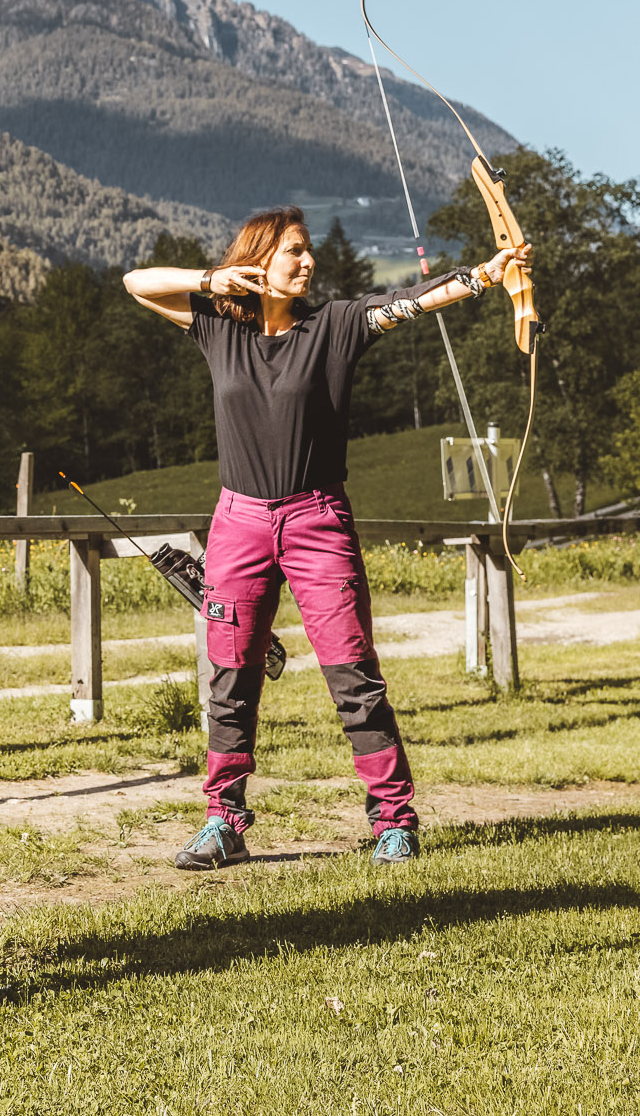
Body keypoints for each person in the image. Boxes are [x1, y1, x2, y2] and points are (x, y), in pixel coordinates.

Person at [122, 207, 529, 870]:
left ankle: (394, 822)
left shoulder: (335, 326)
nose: (307, 262)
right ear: (259, 261)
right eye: (293, 252)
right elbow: (136, 283)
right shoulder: (218, 329)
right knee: (230, 676)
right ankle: (223, 822)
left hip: (316, 521)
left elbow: (410, 301)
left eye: (308, 252)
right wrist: (217, 278)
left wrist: (486, 275)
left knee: (353, 675)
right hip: (238, 523)